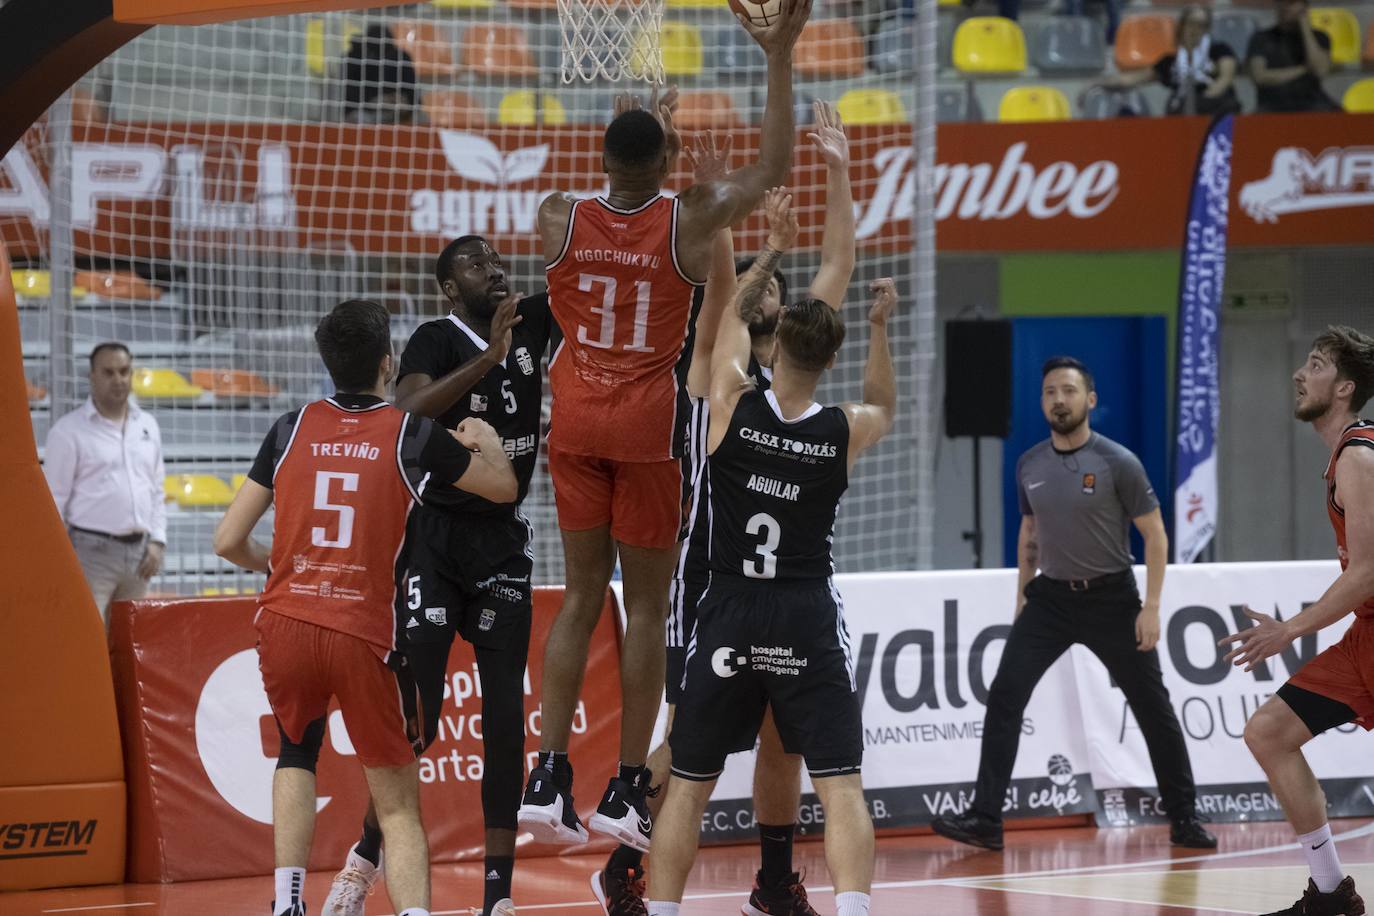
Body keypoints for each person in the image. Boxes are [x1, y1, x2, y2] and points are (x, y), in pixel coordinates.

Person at [517, 0, 813, 856]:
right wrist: (780, 58)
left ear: (604, 154)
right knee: (643, 608)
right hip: (645, 429)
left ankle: (546, 773)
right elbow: (771, 168)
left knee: (577, 597)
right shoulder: (688, 222)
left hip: (572, 420)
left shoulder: (554, 216)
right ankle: (619, 786)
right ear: (665, 162)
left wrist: (645, 131)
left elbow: (620, 172)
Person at [594, 103, 855, 916]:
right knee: (693, 741)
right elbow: (717, 290)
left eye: (778, 284)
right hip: (708, 579)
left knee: (781, 739)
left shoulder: (799, 356)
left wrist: (839, 171)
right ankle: (623, 853)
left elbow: (839, 265)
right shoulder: (724, 368)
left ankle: (775, 881)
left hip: (786, 585)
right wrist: (722, 206)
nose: (772, 288)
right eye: (762, 284)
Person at [212, 299, 518, 916]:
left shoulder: (289, 428)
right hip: (364, 628)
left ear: (328, 365)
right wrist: (486, 442)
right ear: (388, 364)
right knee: (400, 804)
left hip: (288, 619)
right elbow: (502, 489)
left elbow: (226, 541)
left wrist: (283, 566)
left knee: (297, 752)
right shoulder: (410, 432)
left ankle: (286, 904)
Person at [645, 187, 895, 916]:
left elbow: (720, 318)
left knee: (690, 782)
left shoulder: (730, 399)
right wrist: (880, 328)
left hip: (727, 602)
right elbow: (884, 403)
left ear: (777, 340)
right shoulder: (845, 428)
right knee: (841, 782)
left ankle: (666, 906)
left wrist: (772, 249)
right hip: (802, 608)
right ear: (831, 357)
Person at [320, 239, 553, 916]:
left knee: (507, 715)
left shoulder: (533, 319)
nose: (494, 268)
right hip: (433, 543)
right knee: (419, 720)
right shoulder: (434, 338)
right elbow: (410, 411)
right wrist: (488, 358)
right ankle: (364, 860)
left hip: (502, 546)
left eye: (494, 258)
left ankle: (498, 897)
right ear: (451, 289)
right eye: (475, 264)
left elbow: (588, 271)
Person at [931, 357, 1217, 852]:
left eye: (1067, 390)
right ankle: (985, 819)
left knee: (1154, 708)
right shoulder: (1030, 464)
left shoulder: (1118, 462)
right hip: (1050, 601)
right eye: (1048, 392)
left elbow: (1155, 535)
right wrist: (1022, 598)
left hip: (1113, 598)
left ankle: (1185, 817)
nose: (1057, 400)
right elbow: (1030, 534)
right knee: (1004, 697)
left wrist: (1151, 606)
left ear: (1090, 400)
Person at [1221, 327, 1374, 916]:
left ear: (1344, 388)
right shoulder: (1347, 454)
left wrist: (1289, 629)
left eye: (1314, 365)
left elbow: (1366, 573)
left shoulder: (1357, 457)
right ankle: (1331, 892)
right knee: (1269, 732)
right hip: (1365, 638)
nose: (1299, 373)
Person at [44, 341, 166, 625]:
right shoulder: (67, 431)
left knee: (133, 643)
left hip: (140, 555)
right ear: (92, 376)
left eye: (124, 371)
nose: (118, 380)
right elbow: (54, 500)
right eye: (109, 372)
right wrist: (58, 558)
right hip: (89, 553)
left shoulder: (148, 425)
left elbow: (157, 487)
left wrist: (158, 540)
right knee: (88, 639)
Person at [1087, 6, 1240, 116]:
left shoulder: (1220, 50)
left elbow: (1225, 79)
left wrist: (1202, 101)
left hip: (1218, 111)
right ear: (1182, 27)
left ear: (1207, 29)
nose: (1196, 30)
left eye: (1202, 25)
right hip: (1182, 115)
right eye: (1192, 23)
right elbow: (1131, 79)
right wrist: (1096, 83)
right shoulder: (1170, 61)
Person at [1246, 0, 1338, 113]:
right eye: (1281, 2)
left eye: (1291, 3)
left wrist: (1304, 25)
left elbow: (1320, 70)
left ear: (1304, 6)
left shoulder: (1319, 37)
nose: (1285, 7)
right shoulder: (1261, 38)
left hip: (1311, 102)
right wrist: (1304, 69)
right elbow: (1260, 76)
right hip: (1272, 104)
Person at [341, 23, 418, 124]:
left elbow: (412, 94)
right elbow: (347, 93)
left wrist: (399, 100)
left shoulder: (400, 57)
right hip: (364, 112)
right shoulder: (354, 57)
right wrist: (373, 101)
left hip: (396, 112)